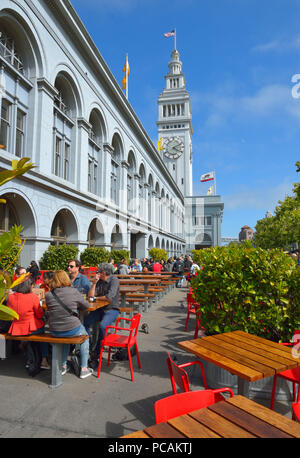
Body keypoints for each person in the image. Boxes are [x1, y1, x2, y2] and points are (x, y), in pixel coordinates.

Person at [45, 270, 92, 379]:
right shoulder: (73, 291)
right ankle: (84, 368)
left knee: (66, 339)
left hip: (54, 330)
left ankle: (63, 365)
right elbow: (86, 306)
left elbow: (51, 308)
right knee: (85, 337)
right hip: (72, 328)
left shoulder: (48, 294)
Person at [6, 278, 50, 369]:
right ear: (29, 286)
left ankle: (29, 358)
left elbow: (9, 313)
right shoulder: (33, 297)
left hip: (16, 328)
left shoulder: (10, 297)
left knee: (30, 337)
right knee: (43, 335)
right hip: (31, 327)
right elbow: (39, 314)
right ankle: (44, 360)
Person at [84, 263, 120, 361]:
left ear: (103, 273)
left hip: (112, 309)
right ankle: (89, 345)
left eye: (98, 272)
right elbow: (90, 297)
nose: (96, 274)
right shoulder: (99, 281)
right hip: (99, 309)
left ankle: (98, 349)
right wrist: (94, 283)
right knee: (85, 322)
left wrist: (95, 298)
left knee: (102, 326)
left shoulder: (114, 280)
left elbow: (109, 298)